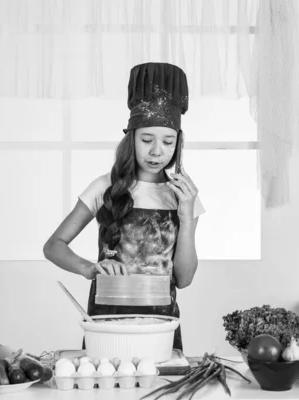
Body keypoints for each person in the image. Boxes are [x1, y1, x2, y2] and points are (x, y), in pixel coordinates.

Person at [43, 62, 204, 351]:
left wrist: (187, 217)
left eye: (168, 142)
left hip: (161, 325)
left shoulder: (183, 195)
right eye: (146, 140)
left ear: (178, 143)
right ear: (131, 138)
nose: (157, 151)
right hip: (106, 323)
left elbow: (185, 279)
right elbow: (53, 246)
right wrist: (88, 268)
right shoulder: (104, 187)